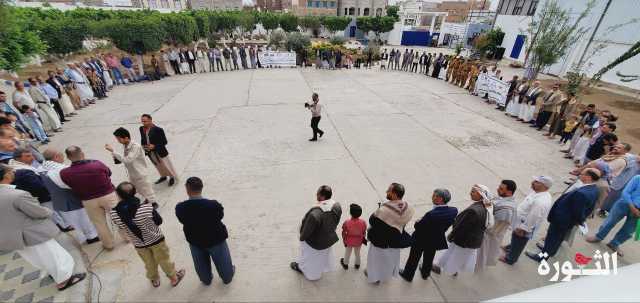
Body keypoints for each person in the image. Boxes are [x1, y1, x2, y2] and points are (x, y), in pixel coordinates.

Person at [0, 164, 87, 291]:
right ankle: (64, 280)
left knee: (38, 258)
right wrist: (49, 211)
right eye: (11, 171)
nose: (13, 172)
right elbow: (38, 212)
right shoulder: (17, 195)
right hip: (32, 233)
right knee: (53, 255)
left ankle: (54, 274)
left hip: (10, 237)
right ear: (6, 175)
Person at [111, 182, 185, 287]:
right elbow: (159, 221)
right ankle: (174, 278)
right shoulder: (146, 207)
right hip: (156, 239)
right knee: (164, 260)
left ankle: (154, 279)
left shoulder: (115, 213)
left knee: (149, 263)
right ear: (135, 192)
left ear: (118, 195)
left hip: (139, 243)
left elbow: (122, 227)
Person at [526, 168, 601, 261]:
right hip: (567, 220)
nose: (579, 175)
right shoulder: (593, 189)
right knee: (557, 238)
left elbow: (578, 211)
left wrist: (580, 220)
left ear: (588, 177)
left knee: (553, 237)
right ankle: (549, 250)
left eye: (582, 174)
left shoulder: (582, 193)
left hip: (562, 220)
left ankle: (542, 257)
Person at [176, 177, 235, 285]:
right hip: (216, 239)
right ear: (201, 188)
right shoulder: (213, 205)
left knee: (201, 266)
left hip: (195, 241)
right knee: (225, 267)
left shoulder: (180, 208)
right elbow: (220, 216)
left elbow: (181, 220)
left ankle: (206, 280)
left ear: (187, 189)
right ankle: (227, 277)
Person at [60, 146, 118, 250]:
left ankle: (108, 244)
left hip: (88, 200)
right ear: (82, 154)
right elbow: (109, 173)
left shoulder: (64, 173)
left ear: (68, 157)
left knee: (99, 223)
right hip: (108, 195)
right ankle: (129, 238)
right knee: (119, 217)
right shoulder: (97, 164)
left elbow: (69, 185)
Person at [40, 148, 99, 244]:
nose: (64, 157)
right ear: (56, 157)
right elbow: (71, 184)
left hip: (58, 200)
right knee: (84, 219)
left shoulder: (42, 169)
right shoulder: (60, 169)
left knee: (73, 222)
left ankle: (83, 237)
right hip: (71, 199)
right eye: (62, 155)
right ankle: (92, 237)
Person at [433, 184, 494, 276]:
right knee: (455, 255)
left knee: (455, 257)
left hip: (464, 240)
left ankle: (448, 270)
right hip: (472, 240)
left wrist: (451, 236)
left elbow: (461, 227)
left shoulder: (474, 210)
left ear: (481, 195)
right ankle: (446, 267)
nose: (470, 193)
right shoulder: (486, 206)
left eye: (473, 192)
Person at [399, 188, 457, 282]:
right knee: (429, 257)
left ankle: (408, 275)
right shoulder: (453, 210)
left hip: (421, 239)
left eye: (434, 196)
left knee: (414, 257)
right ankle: (425, 273)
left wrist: (418, 222)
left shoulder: (431, 215)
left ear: (440, 199)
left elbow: (418, 227)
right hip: (436, 239)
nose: (432, 197)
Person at [290, 185, 342, 280]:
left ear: (322, 197)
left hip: (314, 243)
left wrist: (301, 238)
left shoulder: (315, 214)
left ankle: (305, 270)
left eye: (317, 193)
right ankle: (321, 268)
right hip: (328, 238)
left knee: (308, 257)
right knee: (320, 257)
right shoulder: (337, 206)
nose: (316, 195)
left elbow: (305, 233)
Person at [366, 183, 415, 283]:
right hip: (396, 241)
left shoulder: (383, 210)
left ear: (395, 194)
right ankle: (386, 275)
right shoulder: (409, 208)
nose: (386, 192)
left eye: (389, 190)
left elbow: (372, 221)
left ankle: (375, 278)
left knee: (375, 261)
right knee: (390, 261)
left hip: (380, 242)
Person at [499, 176, 553, 265]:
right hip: (519, 221)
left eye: (537, 182)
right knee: (515, 238)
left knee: (519, 240)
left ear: (544, 186)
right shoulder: (537, 192)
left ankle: (510, 259)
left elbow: (534, 217)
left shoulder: (541, 201)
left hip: (524, 227)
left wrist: (523, 229)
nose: (533, 182)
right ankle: (510, 247)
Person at [587, 174, 640, 257]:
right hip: (625, 204)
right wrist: (633, 207)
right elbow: (626, 192)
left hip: (638, 214)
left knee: (628, 230)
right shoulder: (637, 178)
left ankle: (614, 244)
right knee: (610, 221)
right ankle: (598, 236)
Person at [106, 127, 157, 204]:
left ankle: (153, 203)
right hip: (133, 173)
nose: (118, 141)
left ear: (126, 138)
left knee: (146, 189)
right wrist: (117, 158)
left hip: (139, 173)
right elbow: (125, 159)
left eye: (119, 139)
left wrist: (113, 151)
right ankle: (147, 200)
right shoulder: (126, 145)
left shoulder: (135, 147)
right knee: (137, 189)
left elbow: (128, 160)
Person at [475, 180, 517, 271]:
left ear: (509, 192)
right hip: (486, 233)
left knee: (481, 256)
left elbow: (494, 228)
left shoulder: (507, 210)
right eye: (499, 187)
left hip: (487, 236)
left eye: (501, 189)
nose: (498, 189)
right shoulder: (502, 198)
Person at [140, 114, 178, 186]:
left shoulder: (158, 130)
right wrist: (143, 145)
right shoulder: (141, 129)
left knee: (167, 165)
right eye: (142, 121)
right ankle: (163, 176)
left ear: (150, 120)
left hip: (160, 151)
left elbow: (164, 142)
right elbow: (143, 138)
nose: (143, 123)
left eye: (145, 121)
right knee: (158, 166)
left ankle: (172, 177)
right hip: (150, 152)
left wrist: (154, 146)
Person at [340, 203, 366, 270]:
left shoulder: (347, 222)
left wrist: (344, 240)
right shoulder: (363, 222)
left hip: (349, 241)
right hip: (358, 241)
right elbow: (364, 231)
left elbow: (344, 232)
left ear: (350, 213)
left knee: (347, 252)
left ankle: (345, 264)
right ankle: (357, 264)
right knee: (357, 253)